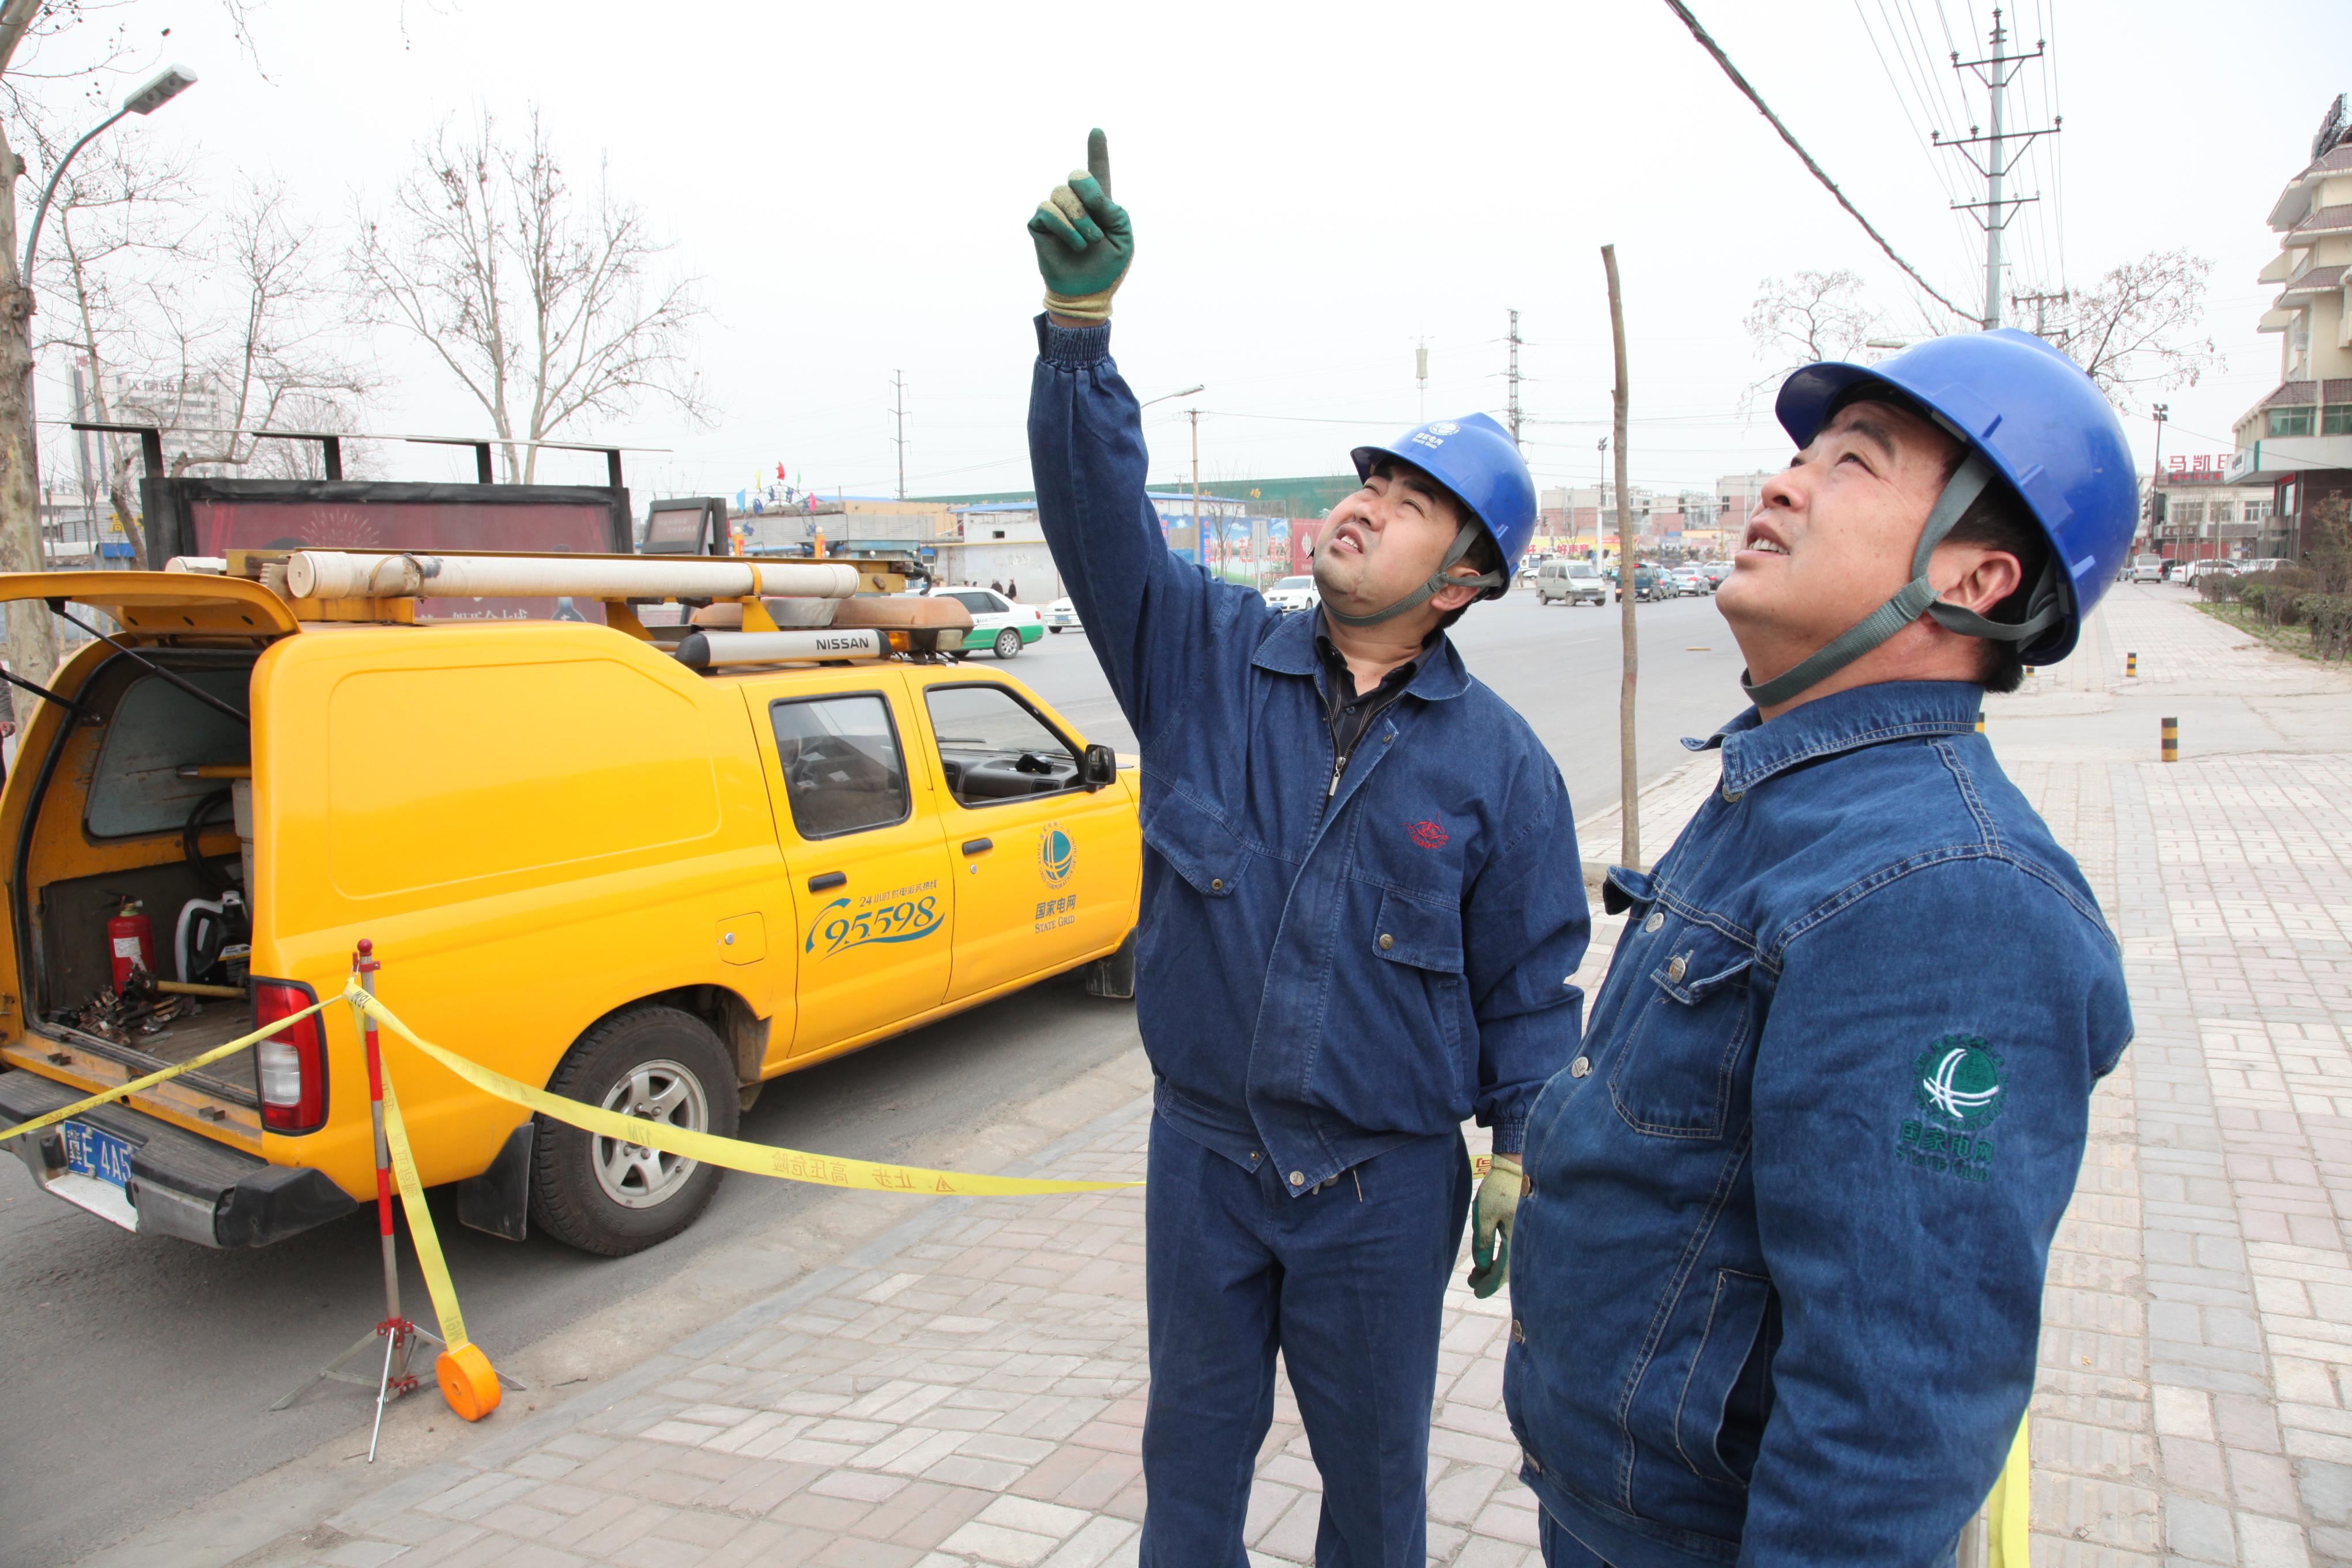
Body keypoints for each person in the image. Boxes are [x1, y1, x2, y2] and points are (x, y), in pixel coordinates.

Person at [1024, 130, 1588, 1568]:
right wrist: (1080, 339)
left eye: (1407, 503)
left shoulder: (1501, 767)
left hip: (1385, 1191)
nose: (1363, 504)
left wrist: (1521, 1156)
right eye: (1366, 483)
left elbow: (1529, 984)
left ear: (1461, 581)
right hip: (1204, 1158)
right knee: (1192, 1456)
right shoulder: (1204, 655)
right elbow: (1101, 529)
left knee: (1376, 1484)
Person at [1502, 329, 2137, 1566]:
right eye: (1800, 453)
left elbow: (1891, 1419)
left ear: (1982, 579)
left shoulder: (1954, 898)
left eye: (1856, 461)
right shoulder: (1786, 796)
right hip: (1609, 1512)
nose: (1782, 482)